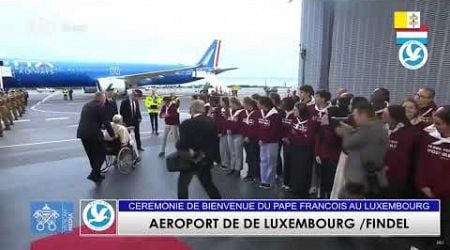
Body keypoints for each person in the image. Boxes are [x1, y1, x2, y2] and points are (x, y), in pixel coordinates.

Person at [335, 102, 388, 198]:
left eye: (355, 115)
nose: (354, 118)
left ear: (363, 115)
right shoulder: (378, 127)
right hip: (368, 176)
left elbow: (348, 144)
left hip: (361, 179)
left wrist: (346, 131)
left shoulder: (369, 129)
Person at [415, 106, 450, 250]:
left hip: (445, 197)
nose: (434, 126)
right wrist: (422, 184)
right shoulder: (428, 135)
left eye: (439, 123)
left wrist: (438, 192)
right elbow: (420, 162)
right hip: (425, 191)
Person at [176, 100, 222, 199]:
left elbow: (182, 143)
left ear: (192, 109)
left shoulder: (187, 124)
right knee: (208, 185)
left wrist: (179, 147)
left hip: (191, 159)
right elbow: (215, 141)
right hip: (206, 158)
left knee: (183, 186)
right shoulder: (211, 121)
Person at [77, 92, 115, 183]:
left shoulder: (86, 105)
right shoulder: (99, 107)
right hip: (93, 134)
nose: (105, 102)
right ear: (101, 99)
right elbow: (106, 122)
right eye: (105, 99)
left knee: (91, 155)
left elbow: (91, 120)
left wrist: (99, 125)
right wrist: (113, 135)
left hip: (83, 134)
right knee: (102, 152)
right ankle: (94, 174)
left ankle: (96, 174)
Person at [381, 105, 417, 198]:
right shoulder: (383, 129)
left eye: (385, 114)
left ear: (394, 117)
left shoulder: (408, 133)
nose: (382, 116)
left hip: (396, 177)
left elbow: (401, 155)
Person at [285, 102, 319, 197]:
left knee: (304, 169)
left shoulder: (310, 122)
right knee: (294, 168)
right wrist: (293, 136)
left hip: (306, 150)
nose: (293, 111)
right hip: (294, 147)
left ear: (301, 111)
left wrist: (296, 134)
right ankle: (294, 187)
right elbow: (290, 132)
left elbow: (309, 138)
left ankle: (303, 189)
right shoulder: (294, 119)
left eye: (295, 110)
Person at [315, 106, 342, 198]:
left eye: (326, 113)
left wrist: (326, 126)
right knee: (322, 180)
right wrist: (317, 153)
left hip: (332, 158)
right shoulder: (323, 126)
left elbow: (331, 141)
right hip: (322, 157)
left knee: (330, 181)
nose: (323, 115)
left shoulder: (337, 128)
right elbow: (318, 140)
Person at [256, 96, 282, 189]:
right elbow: (258, 127)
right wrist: (260, 138)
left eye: (258, 103)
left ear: (264, 104)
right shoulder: (260, 113)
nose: (257, 105)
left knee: (271, 161)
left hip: (272, 142)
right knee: (263, 160)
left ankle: (269, 181)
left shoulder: (275, 115)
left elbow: (274, 130)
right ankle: (263, 180)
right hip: (262, 141)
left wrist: (264, 139)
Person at [242, 97, 260, 182]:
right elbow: (243, 126)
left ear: (248, 104)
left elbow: (256, 128)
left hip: (253, 139)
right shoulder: (244, 113)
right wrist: (244, 136)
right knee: (248, 157)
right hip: (245, 139)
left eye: (244, 103)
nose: (243, 105)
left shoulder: (257, 113)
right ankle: (250, 174)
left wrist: (249, 136)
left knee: (254, 157)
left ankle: (256, 175)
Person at [225, 97, 245, 176]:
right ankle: (232, 167)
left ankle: (238, 169)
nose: (230, 105)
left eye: (231, 103)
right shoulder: (230, 112)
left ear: (235, 103)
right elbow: (228, 121)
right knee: (232, 152)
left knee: (238, 152)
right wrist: (228, 129)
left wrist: (234, 130)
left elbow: (241, 124)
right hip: (230, 134)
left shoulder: (242, 112)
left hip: (238, 135)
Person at [280, 97, 295, 190]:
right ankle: (285, 181)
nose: (282, 104)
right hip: (284, 141)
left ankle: (291, 182)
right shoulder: (282, 113)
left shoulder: (294, 114)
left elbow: (294, 128)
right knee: (286, 161)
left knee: (292, 162)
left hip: (292, 141)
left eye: (283, 102)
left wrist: (289, 138)